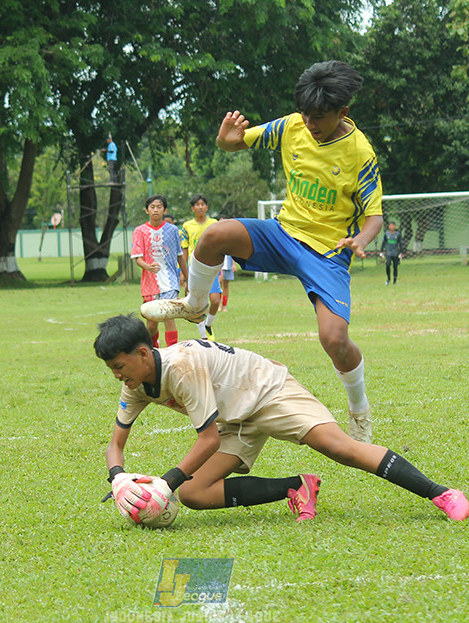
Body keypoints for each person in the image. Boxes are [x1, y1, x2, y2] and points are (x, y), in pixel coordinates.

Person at [141, 60, 383, 442]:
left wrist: (361, 241)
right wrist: (225, 137)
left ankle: (360, 410)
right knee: (214, 236)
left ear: (343, 112)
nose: (310, 123)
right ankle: (195, 305)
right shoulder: (291, 126)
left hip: (327, 253)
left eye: (319, 116)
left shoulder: (360, 153)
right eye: (306, 113)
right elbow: (233, 142)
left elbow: (374, 216)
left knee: (334, 339)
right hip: (282, 233)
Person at [96, 315, 469, 524]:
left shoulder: (180, 367)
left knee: (338, 448)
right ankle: (298, 487)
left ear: (144, 354)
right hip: (235, 419)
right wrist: (118, 481)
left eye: (118, 365)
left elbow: (207, 440)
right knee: (194, 493)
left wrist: (164, 484)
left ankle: (441, 493)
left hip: (268, 390)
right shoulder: (135, 383)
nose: (116, 374)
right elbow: (116, 443)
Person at [132, 195, 187, 348]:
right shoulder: (140, 231)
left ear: (165, 210)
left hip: (170, 282)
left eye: (159, 207)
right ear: (146, 210)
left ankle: (172, 351)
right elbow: (138, 258)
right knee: (151, 324)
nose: (156, 210)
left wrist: (187, 279)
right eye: (152, 207)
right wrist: (147, 266)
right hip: (150, 283)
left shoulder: (173, 230)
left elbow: (180, 257)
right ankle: (153, 349)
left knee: (168, 316)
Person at [179, 194, 224, 340]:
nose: (200, 207)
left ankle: (208, 325)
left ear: (207, 207)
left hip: (212, 267)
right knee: (198, 302)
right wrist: (182, 273)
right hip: (194, 269)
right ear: (193, 208)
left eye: (202, 204)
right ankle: (204, 336)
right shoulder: (187, 226)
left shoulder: (214, 223)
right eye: (197, 204)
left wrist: (221, 268)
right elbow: (184, 250)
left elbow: (221, 245)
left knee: (215, 300)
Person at [380, 219, 404, 285]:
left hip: (396, 253)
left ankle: (395, 281)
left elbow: (401, 244)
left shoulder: (398, 234)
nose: (392, 227)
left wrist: (401, 253)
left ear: (395, 227)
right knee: (387, 265)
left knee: (395, 266)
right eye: (391, 225)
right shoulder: (386, 234)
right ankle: (388, 279)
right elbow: (383, 243)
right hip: (388, 253)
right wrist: (381, 252)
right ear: (389, 227)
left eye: (393, 225)